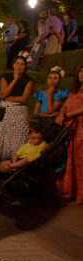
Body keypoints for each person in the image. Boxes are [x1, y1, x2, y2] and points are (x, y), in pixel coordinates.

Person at [0, 56, 34, 168]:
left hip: (20, 113)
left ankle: (15, 165)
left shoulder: (28, 81)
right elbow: (4, 94)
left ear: (25, 66)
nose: (19, 66)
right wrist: (15, 80)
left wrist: (9, 98)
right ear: (13, 65)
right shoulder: (6, 78)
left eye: (22, 64)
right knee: (0, 139)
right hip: (5, 113)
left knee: (18, 139)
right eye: (17, 63)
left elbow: (24, 99)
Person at [55, 64, 83, 204]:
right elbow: (64, 106)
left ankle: (81, 194)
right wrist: (61, 114)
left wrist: (68, 115)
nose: (82, 74)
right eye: (81, 71)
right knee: (71, 158)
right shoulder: (74, 90)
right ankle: (71, 191)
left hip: (81, 128)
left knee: (80, 161)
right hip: (71, 128)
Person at [33, 67, 69, 131]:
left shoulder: (59, 94)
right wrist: (47, 115)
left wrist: (50, 93)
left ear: (59, 80)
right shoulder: (42, 93)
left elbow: (50, 110)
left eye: (55, 78)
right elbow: (35, 112)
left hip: (51, 122)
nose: (52, 81)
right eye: (50, 78)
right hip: (42, 119)